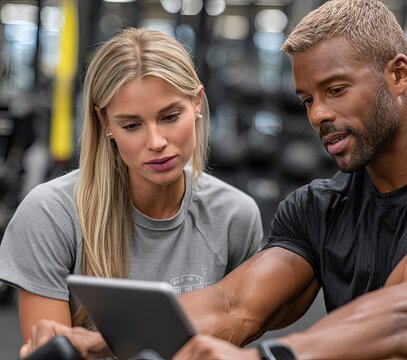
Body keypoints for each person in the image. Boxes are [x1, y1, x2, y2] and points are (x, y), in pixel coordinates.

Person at [19, 1, 407, 359]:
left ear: (398, 75)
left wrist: (272, 357)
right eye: (307, 100)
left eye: (336, 90)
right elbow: (233, 305)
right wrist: (99, 338)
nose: (319, 115)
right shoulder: (317, 208)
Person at [0, 27, 263, 350]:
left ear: (196, 102)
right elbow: (50, 353)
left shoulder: (235, 216)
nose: (156, 143)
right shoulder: (50, 214)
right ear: (105, 122)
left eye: (169, 116)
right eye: (132, 125)